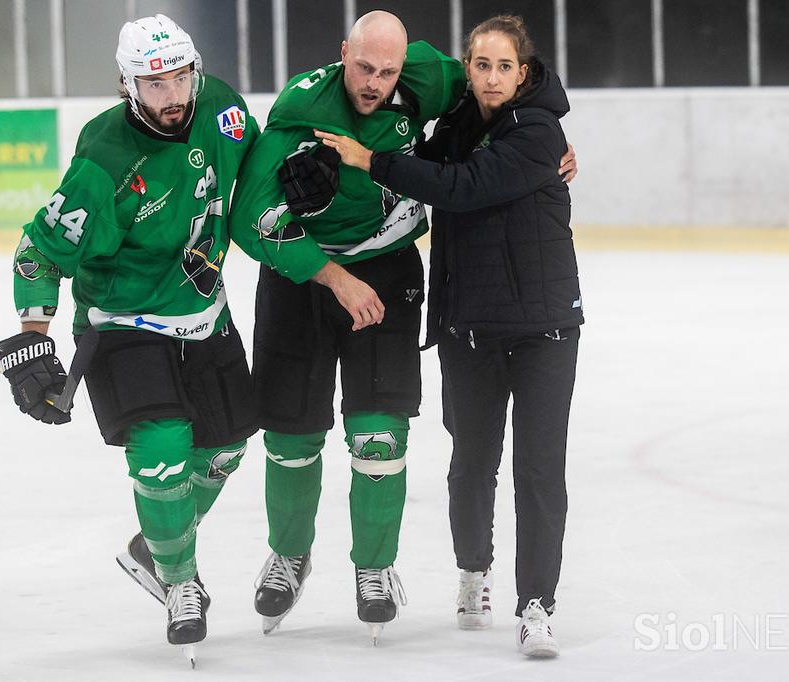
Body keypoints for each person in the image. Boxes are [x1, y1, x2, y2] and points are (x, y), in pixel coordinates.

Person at [229, 11, 575, 642]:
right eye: (364, 67)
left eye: (388, 71)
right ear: (342, 55)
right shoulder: (301, 105)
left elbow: (487, 115)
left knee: (379, 438)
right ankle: (290, 552)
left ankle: (377, 568)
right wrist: (328, 270)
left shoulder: (425, 77)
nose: (376, 82)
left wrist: (550, 142)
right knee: (291, 437)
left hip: (392, 276)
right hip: (304, 279)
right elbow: (249, 217)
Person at [0, 14, 258, 665]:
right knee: (163, 454)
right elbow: (39, 250)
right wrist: (32, 340)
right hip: (122, 322)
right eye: (154, 82)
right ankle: (179, 579)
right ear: (127, 84)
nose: (171, 94)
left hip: (203, 312)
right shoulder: (104, 158)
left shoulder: (224, 109)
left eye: (179, 77)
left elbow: (257, 176)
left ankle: (155, 547)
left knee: (224, 450)